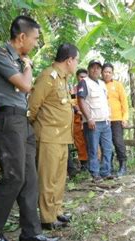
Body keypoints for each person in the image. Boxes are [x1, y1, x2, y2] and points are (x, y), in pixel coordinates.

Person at [0, 15, 59, 241]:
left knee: (30, 179)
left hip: (22, 121)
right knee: (14, 177)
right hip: (8, 121)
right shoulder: (0, 55)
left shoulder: (17, 59)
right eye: (35, 38)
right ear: (22, 36)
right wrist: (27, 66)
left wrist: (24, 65)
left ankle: (31, 234)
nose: (36, 43)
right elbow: (26, 86)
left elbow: (25, 87)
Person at [28, 43, 79, 230]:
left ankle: (56, 211)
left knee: (59, 178)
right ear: (69, 60)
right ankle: (47, 218)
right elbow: (32, 106)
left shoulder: (63, 78)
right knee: (47, 179)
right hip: (49, 136)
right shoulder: (47, 77)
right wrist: (38, 127)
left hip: (62, 137)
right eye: (77, 60)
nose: (77, 64)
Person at [77, 60, 113, 182]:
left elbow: (105, 101)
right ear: (88, 69)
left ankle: (106, 172)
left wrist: (109, 117)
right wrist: (89, 118)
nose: (95, 70)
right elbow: (81, 101)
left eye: (98, 68)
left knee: (107, 148)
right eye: (93, 67)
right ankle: (95, 174)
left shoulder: (102, 84)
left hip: (105, 121)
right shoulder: (84, 82)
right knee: (93, 149)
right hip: (93, 122)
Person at [102, 63, 129, 176]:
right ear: (102, 73)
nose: (107, 74)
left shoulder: (118, 85)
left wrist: (125, 118)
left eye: (109, 72)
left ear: (112, 73)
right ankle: (109, 166)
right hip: (103, 119)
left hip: (117, 119)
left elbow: (124, 102)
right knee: (105, 144)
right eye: (105, 72)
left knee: (118, 142)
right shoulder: (99, 85)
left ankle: (123, 165)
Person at [72, 69, 89, 170]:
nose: (83, 79)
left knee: (91, 140)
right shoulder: (73, 90)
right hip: (78, 119)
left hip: (89, 118)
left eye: (85, 77)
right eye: (81, 77)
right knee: (79, 141)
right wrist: (79, 111)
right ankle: (83, 163)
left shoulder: (90, 88)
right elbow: (73, 102)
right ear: (77, 77)